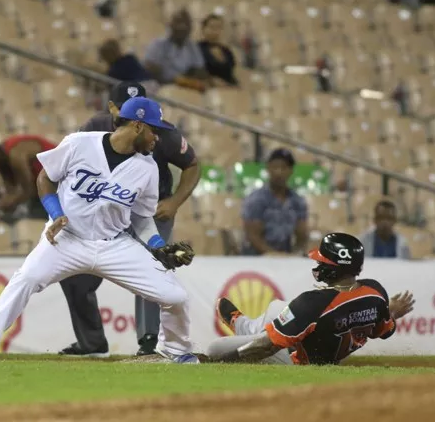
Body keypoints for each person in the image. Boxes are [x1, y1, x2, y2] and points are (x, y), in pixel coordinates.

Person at [0, 97, 199, 364]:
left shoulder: (148, 168)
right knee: (24, 280)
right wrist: (56, 213)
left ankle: (176, 351)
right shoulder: (80, 143)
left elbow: (142, 218)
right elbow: (45, 177)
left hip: (115, 244)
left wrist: (156, 245)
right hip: (67, 240)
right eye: (155, 130)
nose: (158, 138)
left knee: (175, 296)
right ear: (137, 125)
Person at [58, 82, 200, 357]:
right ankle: (92, 343)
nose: (140, 115)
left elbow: (192, 164)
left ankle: (150, 341)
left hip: (150, 209)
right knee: (74, 276)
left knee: (153, 265)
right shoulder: (92, 127)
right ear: (112, 108)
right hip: (105, 210)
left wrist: (174, 202)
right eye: (127, 108)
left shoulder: (160, 131)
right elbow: (68, 165)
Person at [207, 232, 416, 365]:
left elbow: (266, 347)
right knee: (276, 307)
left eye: (323, 261)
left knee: (214, 348)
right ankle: (246, 326)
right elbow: (384, 331)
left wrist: (217, 362)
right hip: (331, 354)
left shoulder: (313, 302)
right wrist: (391, 312)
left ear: (335, 267)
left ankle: (245, 328)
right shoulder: (375, 292)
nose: (318, 266)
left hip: (296, 360)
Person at [0, 134, 56, 219]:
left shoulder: (15, 154)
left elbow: (28, 191)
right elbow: (11, 192)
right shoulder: (1, 163)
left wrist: (5, 206)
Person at [241, 148, 308, 256]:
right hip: (256, 258)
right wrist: (273, 255)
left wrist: (295, 255)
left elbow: (302, 235)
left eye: (284, 167)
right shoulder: (256, 199)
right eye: (275, 167)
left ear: (291, 171)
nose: (279, 172)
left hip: (286, 257)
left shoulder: (297, 201)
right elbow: (253, 236)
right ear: (268, 168)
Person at [143, 9, 210, 92]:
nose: (182, 27)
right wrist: (174, 79)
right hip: (162, 89)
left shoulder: (192, 46)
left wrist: (186, 79)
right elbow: (149, 68)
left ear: (190, 27)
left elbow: (200, 70)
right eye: (178, 22)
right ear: (170, 24)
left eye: (186, 23)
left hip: (187, 89)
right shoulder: (158, 44)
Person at [198, 14, 238, 86]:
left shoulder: (226, 50)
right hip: (206, 88)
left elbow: (231, 71)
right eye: (212, 27)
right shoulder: (197, 48)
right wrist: (210, 80)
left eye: (219, 27)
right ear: (203, 29)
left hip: (230, 87)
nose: (215, 31)